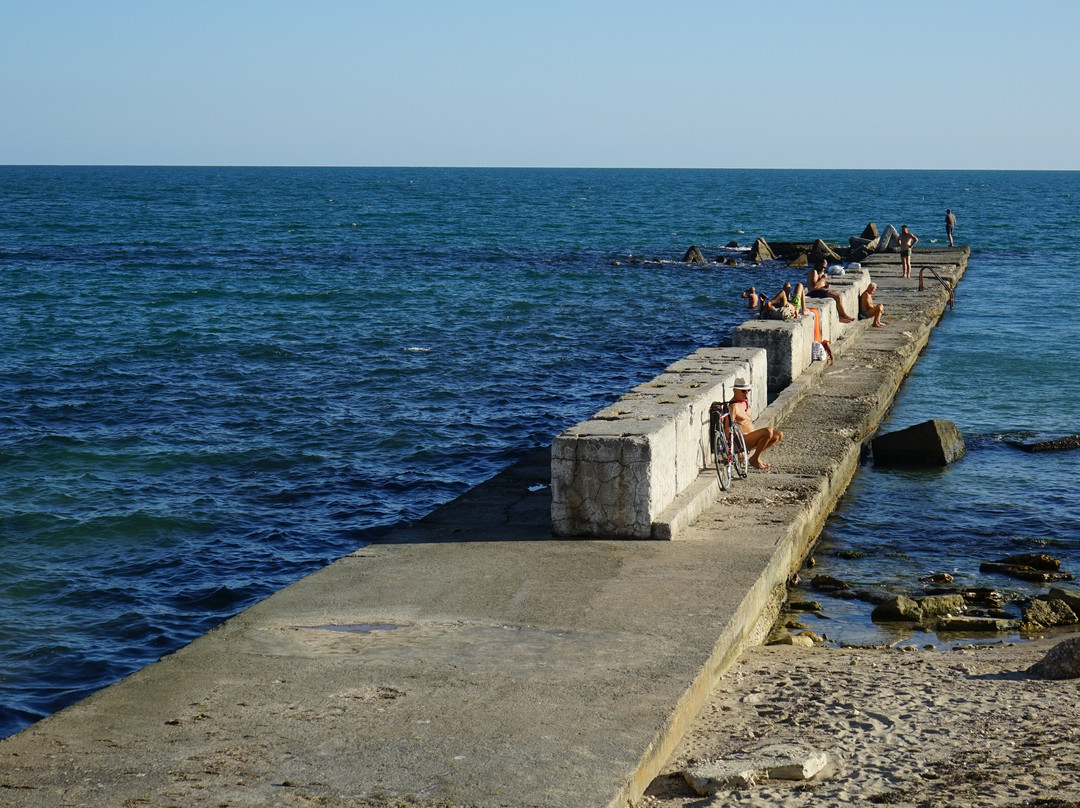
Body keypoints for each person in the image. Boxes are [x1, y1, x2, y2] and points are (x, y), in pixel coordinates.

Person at [731, 378, 782, 471]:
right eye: (743, 391)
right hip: (743, 440)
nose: (746, 393)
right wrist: (737, 449)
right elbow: (728, 428)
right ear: (734, 391)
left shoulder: (744, 403)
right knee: (767, 431)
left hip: (752, 438)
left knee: (778, 434)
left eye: (748, 390)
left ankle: (756, 457)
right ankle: (755, 459)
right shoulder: (733, 406)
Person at [806, 258, 854, 323]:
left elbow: (820, 283)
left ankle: (841, 316)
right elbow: (814, 286)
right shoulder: (814, 272)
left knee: (838, 296)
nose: (823, 269)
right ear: (818, 264)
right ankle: (843, 315)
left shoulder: (821, 272)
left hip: (820, 290)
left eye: (824, 267)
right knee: (838, 297)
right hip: (814, 293)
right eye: (822, 266)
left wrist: (826, 285)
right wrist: (823, 278)